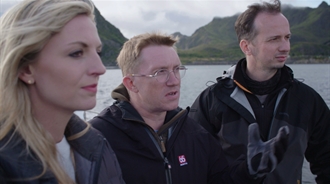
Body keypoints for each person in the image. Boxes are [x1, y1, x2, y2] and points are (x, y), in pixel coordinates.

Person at [89, 32, 288, 184]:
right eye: (160, 72)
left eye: (177, 69)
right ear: (131, 83)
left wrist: (250, 171)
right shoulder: (98, 139)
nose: (174, 81)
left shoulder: (195, 134)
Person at [188, 0, 330, 183]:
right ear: (246, 46)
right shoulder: (212, 100)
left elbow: (326, 161)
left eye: (287, 37)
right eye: (274, 39)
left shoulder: (307, 100)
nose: (285, 47)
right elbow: (193, 167)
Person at [0, 0, 125, 183]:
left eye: (97, 52)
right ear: (26, 69)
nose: (100, 68)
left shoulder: (96, 145)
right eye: (76, 53)